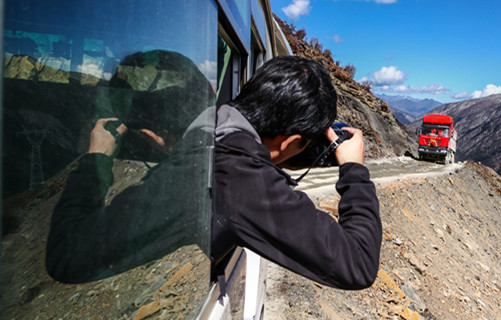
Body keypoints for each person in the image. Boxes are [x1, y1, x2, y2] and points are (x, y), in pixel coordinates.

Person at [212, 56, 381, 290]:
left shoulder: (213, 128)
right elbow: (359, 262)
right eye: (304, 144)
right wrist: (354, 170)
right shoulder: (243, 181)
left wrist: (279, 157)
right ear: (289, 142)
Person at [46, 50, 215, 283]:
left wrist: (96, 159)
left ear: (150, 136)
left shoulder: (187, 182)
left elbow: (65, 255)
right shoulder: (223, 140)